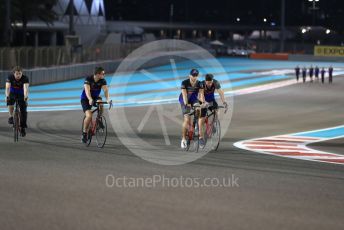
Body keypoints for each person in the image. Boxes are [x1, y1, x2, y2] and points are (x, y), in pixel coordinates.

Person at [81, 67, 111, 143]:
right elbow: (87, 92)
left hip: (95, 97)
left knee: (101, 103)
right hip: (85, 99)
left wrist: (108, 99)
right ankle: (84, 133)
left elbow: (105, 90)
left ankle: (99, 119)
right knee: (89, 116)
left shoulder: (102, 81)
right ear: (98, 74)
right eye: (103, 74)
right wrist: (90, 99)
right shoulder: (88, 79)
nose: (104, 75)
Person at [179, 69, 207, 149]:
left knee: (198, 109)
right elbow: (184, 95)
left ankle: (196, 125)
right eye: (193, 75)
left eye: (195, 76)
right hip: (184, 100)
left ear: (197, 76)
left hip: (194, 99)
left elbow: (201, 94)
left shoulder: (200, 83)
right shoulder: (184, 83)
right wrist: (186, 104)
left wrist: (203, 102)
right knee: (187, 119)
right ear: (189, 75)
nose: (194, 77)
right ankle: (183, 139)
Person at [5, 66, 29, 137]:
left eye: (20, 74)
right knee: (9, 102)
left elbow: (25, 89)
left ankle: (23, 128)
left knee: (23, 110)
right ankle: (10, 117)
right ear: (13, 74)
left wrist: (25, 97)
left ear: (22, 73)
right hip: (12, 93)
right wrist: (7, 96)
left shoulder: (25, 78)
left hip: (21, 93)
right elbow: (7, 88)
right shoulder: (10, 77)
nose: (18, 75)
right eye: (17, 74)